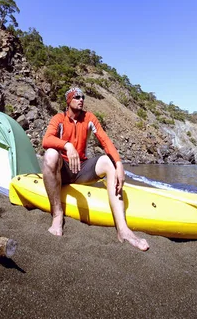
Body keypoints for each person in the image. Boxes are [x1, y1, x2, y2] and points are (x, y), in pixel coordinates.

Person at [42, 87, 149, 251]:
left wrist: (119, 164)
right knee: (50, 154)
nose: (81, 99)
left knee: (109, 162)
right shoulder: (59, 118)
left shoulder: (89, 117)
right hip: (62, 169)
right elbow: (46, 139)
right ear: (68, 100)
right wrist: (66, 145)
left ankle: (123, 230)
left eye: (83, 97)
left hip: (82, 169)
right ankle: (57, 215)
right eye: (77, 97)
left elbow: (104, 140)